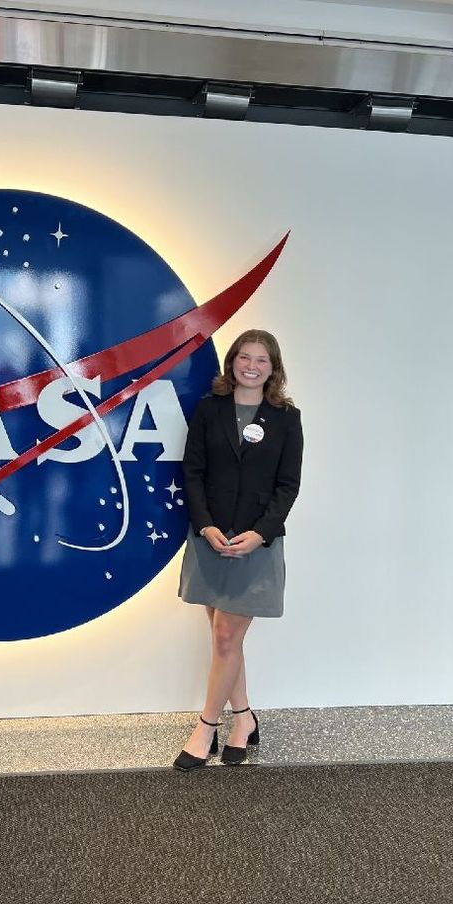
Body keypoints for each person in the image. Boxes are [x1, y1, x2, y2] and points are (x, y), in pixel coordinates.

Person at [173, 330, 303, 771]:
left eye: (262, 359)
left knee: (227, 637)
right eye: (245, 357)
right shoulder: (209, 410)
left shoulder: (287, 418)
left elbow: (288, 487)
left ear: (274, 368)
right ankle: (244, 719)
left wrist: (259, 534)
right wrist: (205, 526)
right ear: (232, 362)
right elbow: (192, 473)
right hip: (209, 539)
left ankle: (207, 726)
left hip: (255, 544)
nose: (252, 365)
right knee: (224, 637)